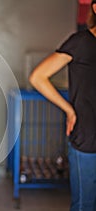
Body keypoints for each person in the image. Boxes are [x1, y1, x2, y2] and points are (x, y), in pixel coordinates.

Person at [29, 1, 96, 210]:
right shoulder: (81, 42)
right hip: (87, 139)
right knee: (85, 205)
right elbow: (38, 77)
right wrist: (68, 109)